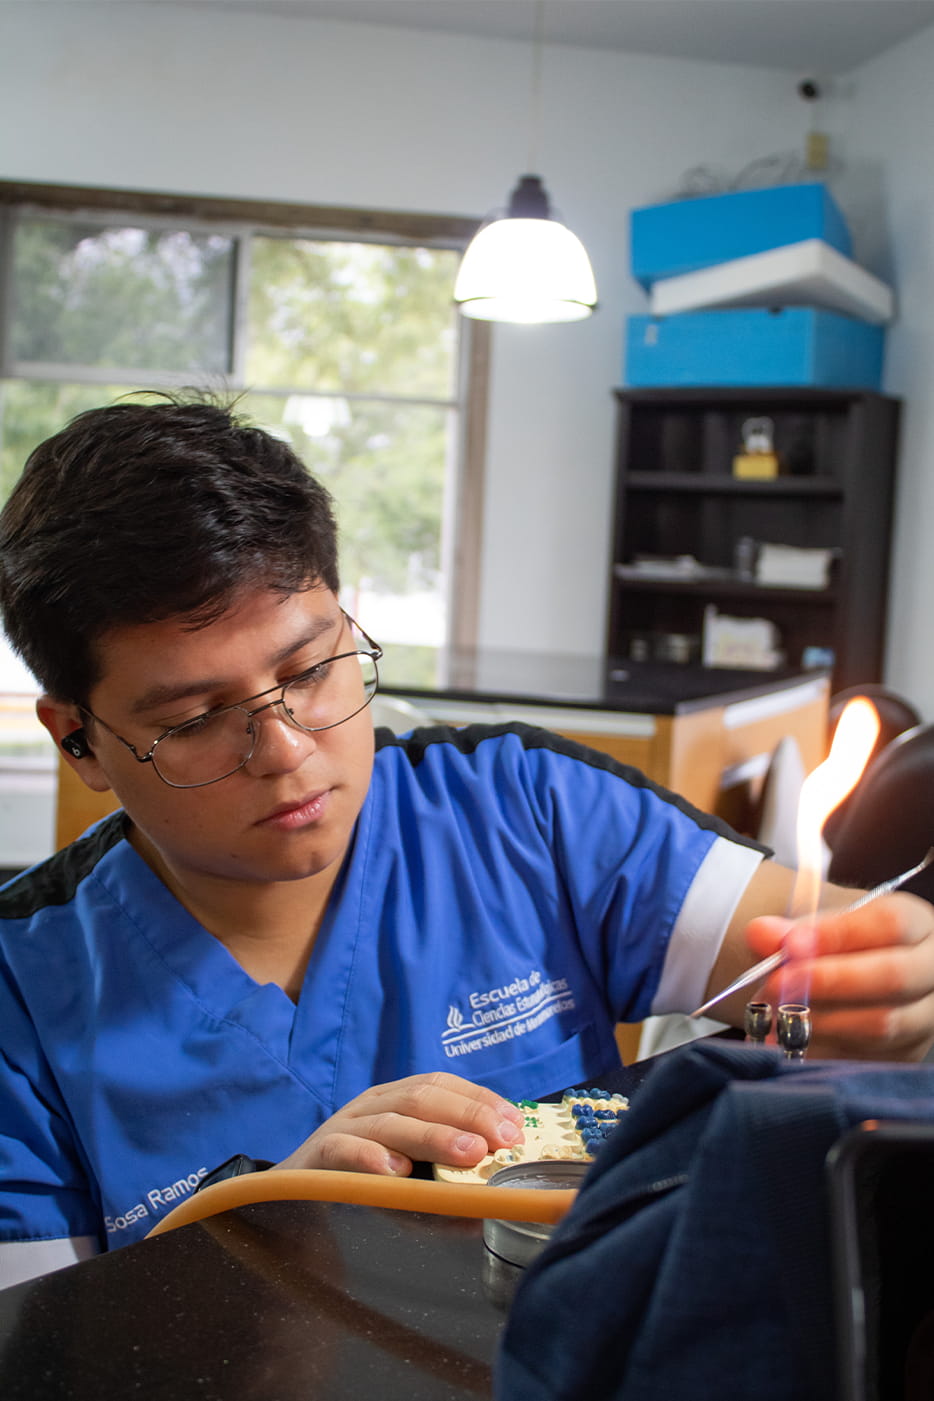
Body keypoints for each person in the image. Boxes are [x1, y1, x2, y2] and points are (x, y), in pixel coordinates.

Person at [0, 395, 932, 1291]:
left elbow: (838, 953)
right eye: (197, 718)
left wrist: (898, 985)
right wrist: (268, 1221)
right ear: (77, 736)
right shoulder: (22, 997)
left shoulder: (522, 808)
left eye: (313, 669)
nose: (287, 751)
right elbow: (38, 1352)